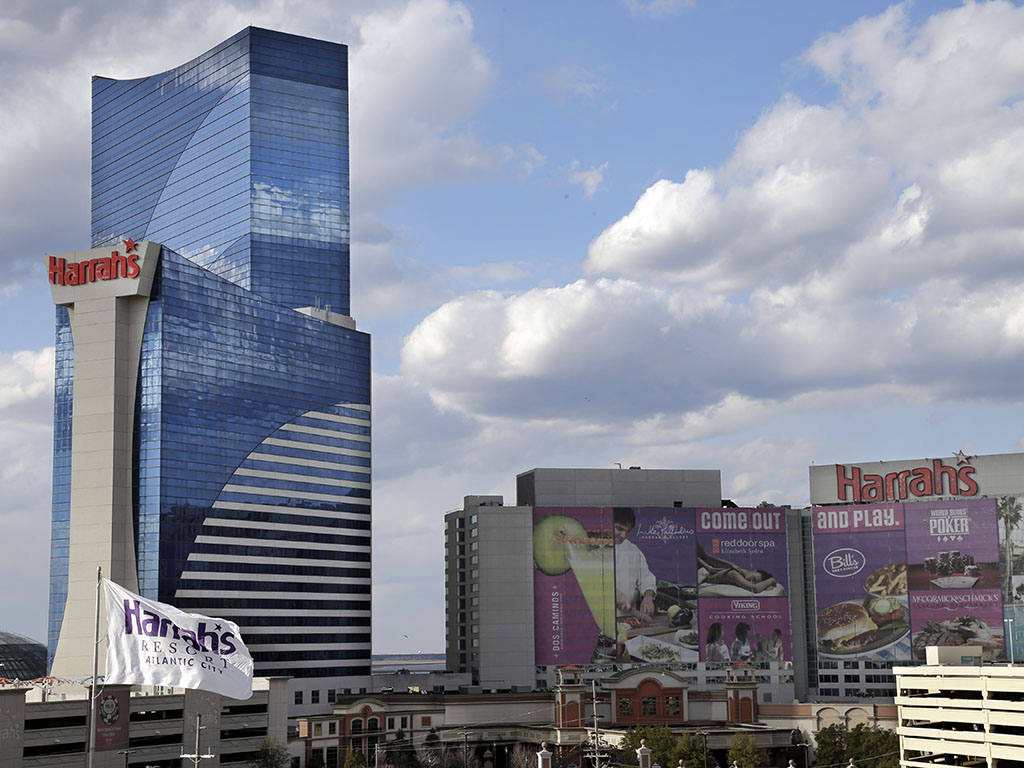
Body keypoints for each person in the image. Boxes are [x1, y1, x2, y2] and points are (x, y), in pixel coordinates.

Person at [613, 507, 657, 616]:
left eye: (628, 531)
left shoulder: (633, 550)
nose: (624, 536)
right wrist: (614, 593)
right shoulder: (591, 548)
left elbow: (646, 578)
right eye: (619, 529)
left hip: (627, 619)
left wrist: (648, 597)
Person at [697, 541, 780, 593]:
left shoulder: (740, 573)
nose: (749, 581)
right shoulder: (736, 574)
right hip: (703, 570)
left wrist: (769, 583)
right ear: (753, 571)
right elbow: (755, 589)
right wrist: (771, 580)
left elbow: (757, 586)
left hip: (705, 569)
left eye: (753, 582)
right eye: (753, 578)